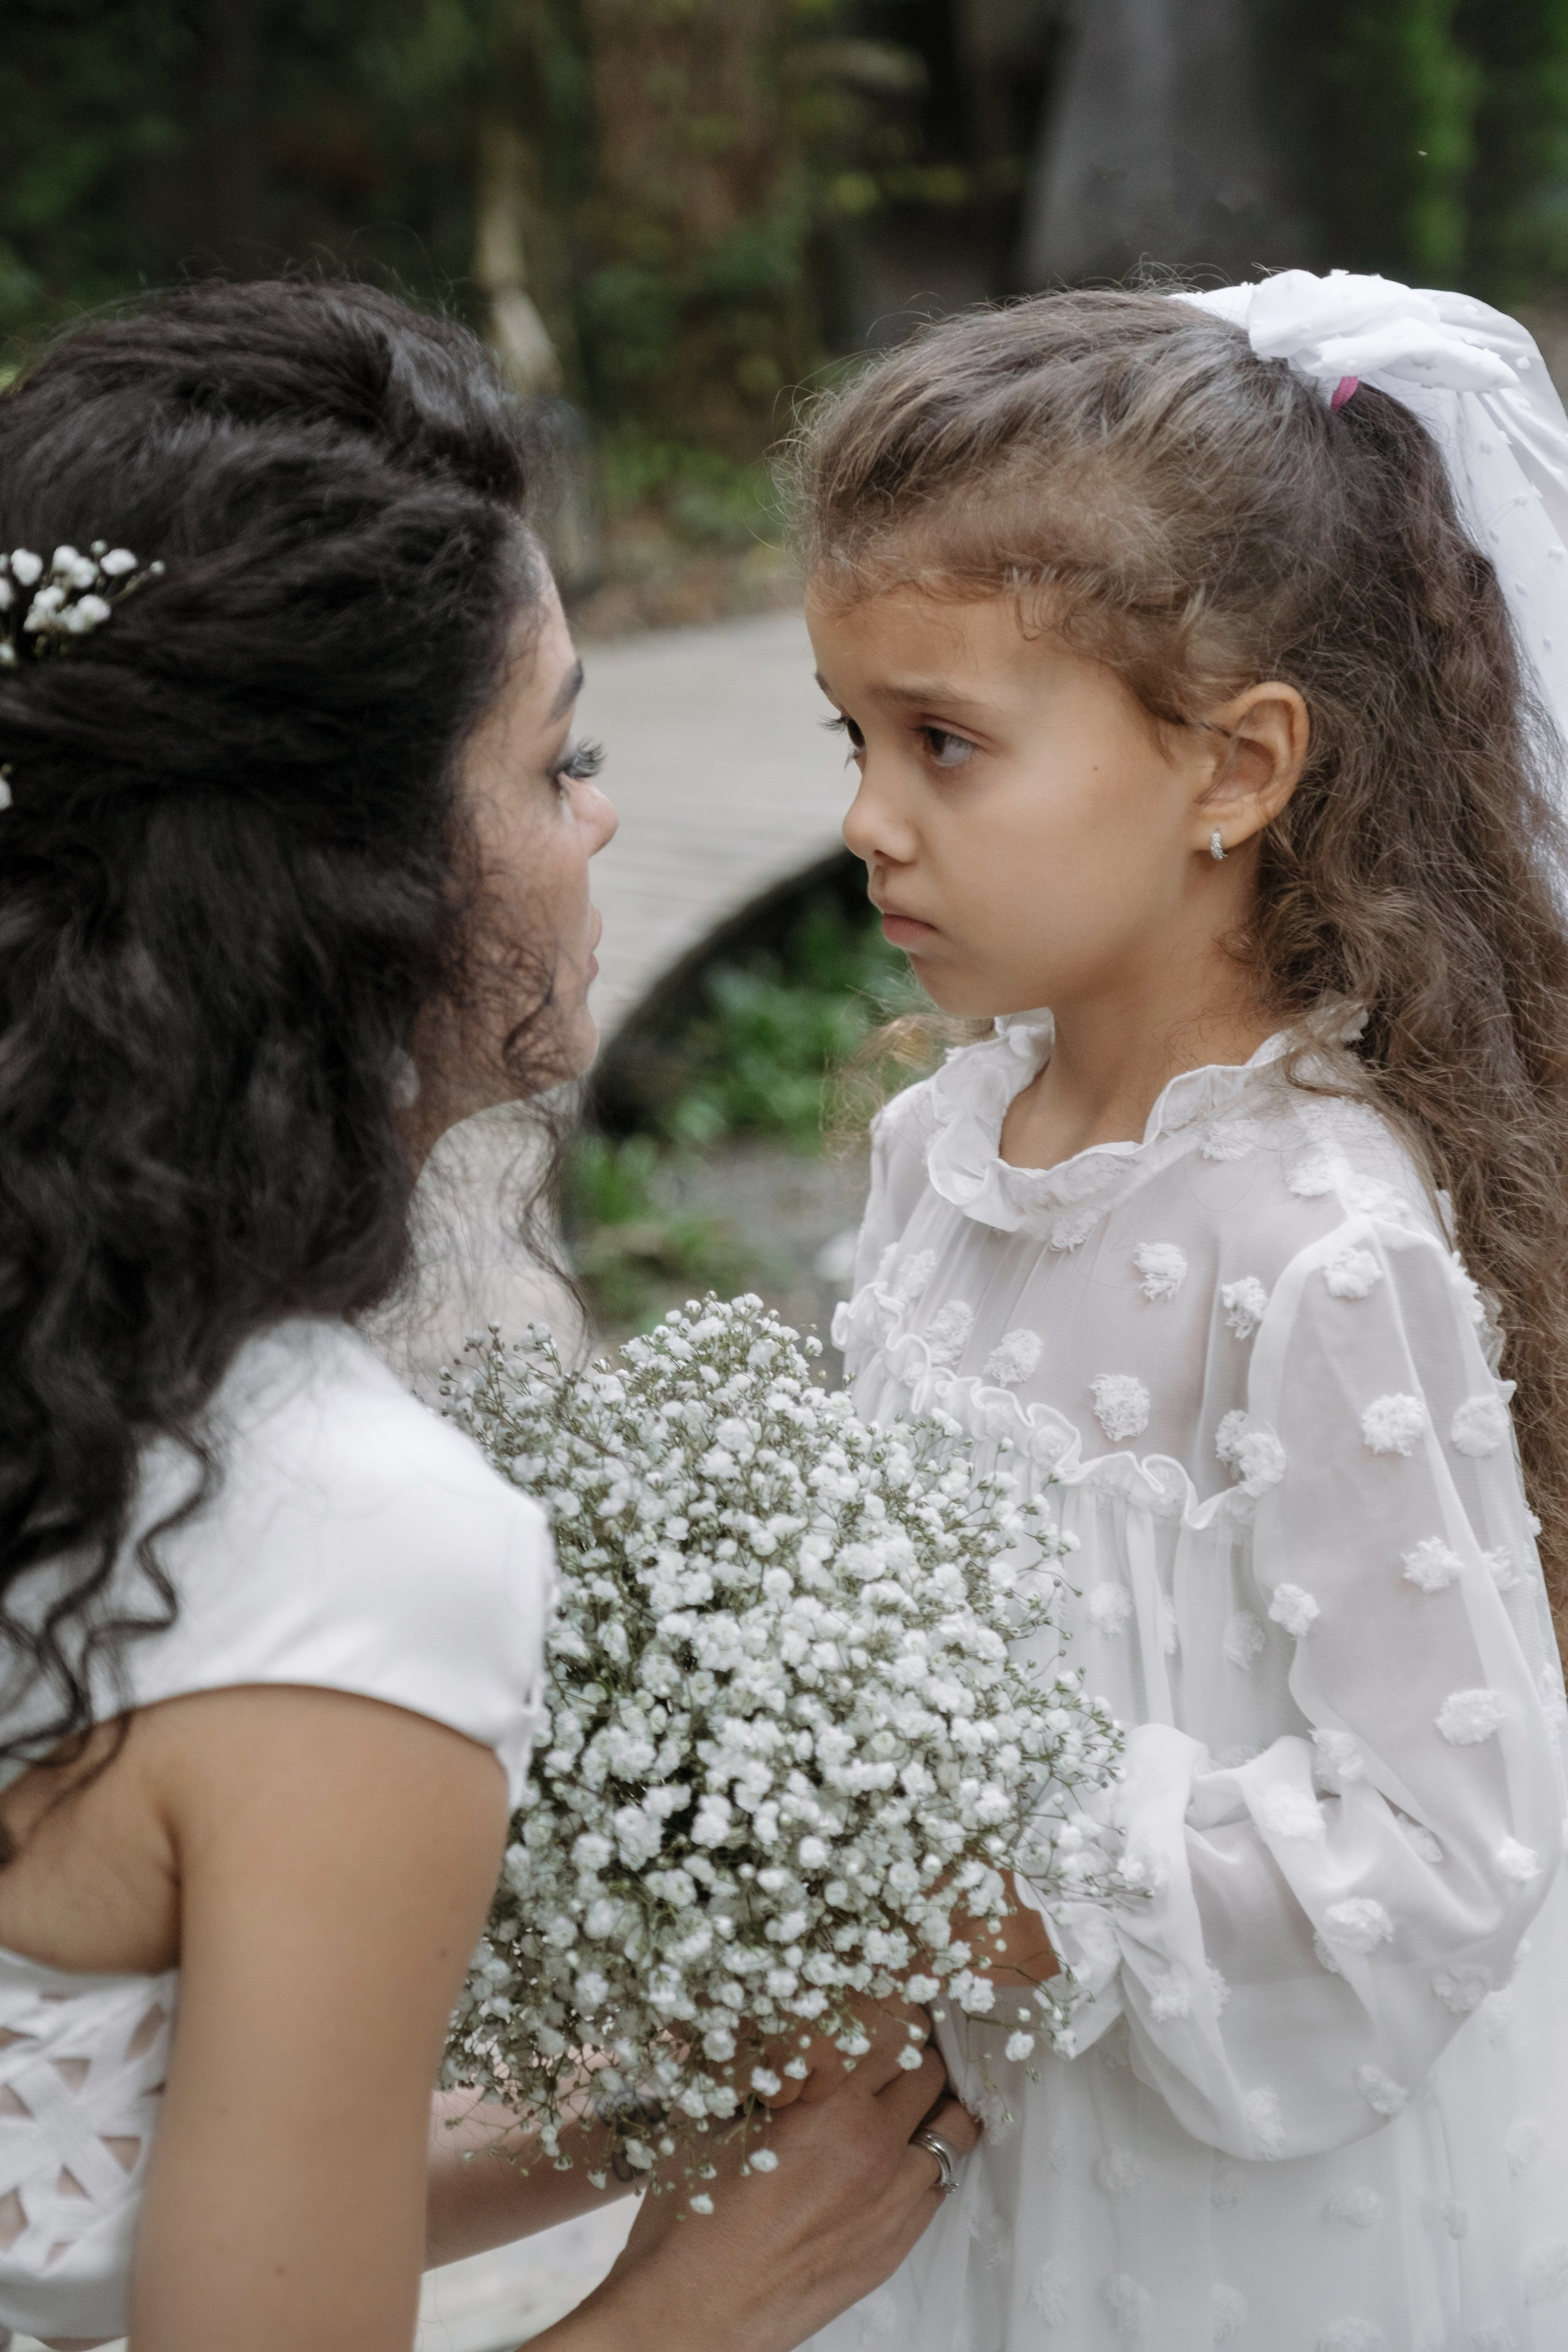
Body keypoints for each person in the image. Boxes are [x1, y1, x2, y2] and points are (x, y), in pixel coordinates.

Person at [0, 277, 974, 2352]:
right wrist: (725, 2291)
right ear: (357, 891)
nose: (601, 818)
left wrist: (645, 2107)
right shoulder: (343, 1541)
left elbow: (105, 2178)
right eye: (560, 758)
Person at [791, 273, 1568, 2348]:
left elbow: (1446, 1847)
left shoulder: (1316, 1237)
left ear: (1236, 765)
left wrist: (1012, 1876)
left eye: (945, 743)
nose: (867, 819)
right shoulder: (944, 1151)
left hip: (1227, 2229)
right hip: (961, 2164)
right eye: (853, 737)